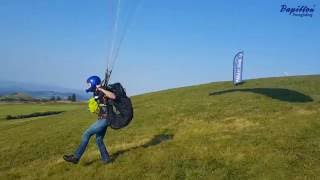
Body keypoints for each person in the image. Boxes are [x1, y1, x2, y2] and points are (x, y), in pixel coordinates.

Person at [63, 76, 116, 164]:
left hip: (105, 119)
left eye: (89, 84)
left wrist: (101, 89)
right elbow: (103, 106)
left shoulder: (102, 91)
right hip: (103, 118)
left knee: (86, 134)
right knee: (99, 140)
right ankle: (106, 160)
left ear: (94, 83)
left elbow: (113, 96)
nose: (88, 86)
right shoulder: (96, 93)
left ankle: (76, 157)